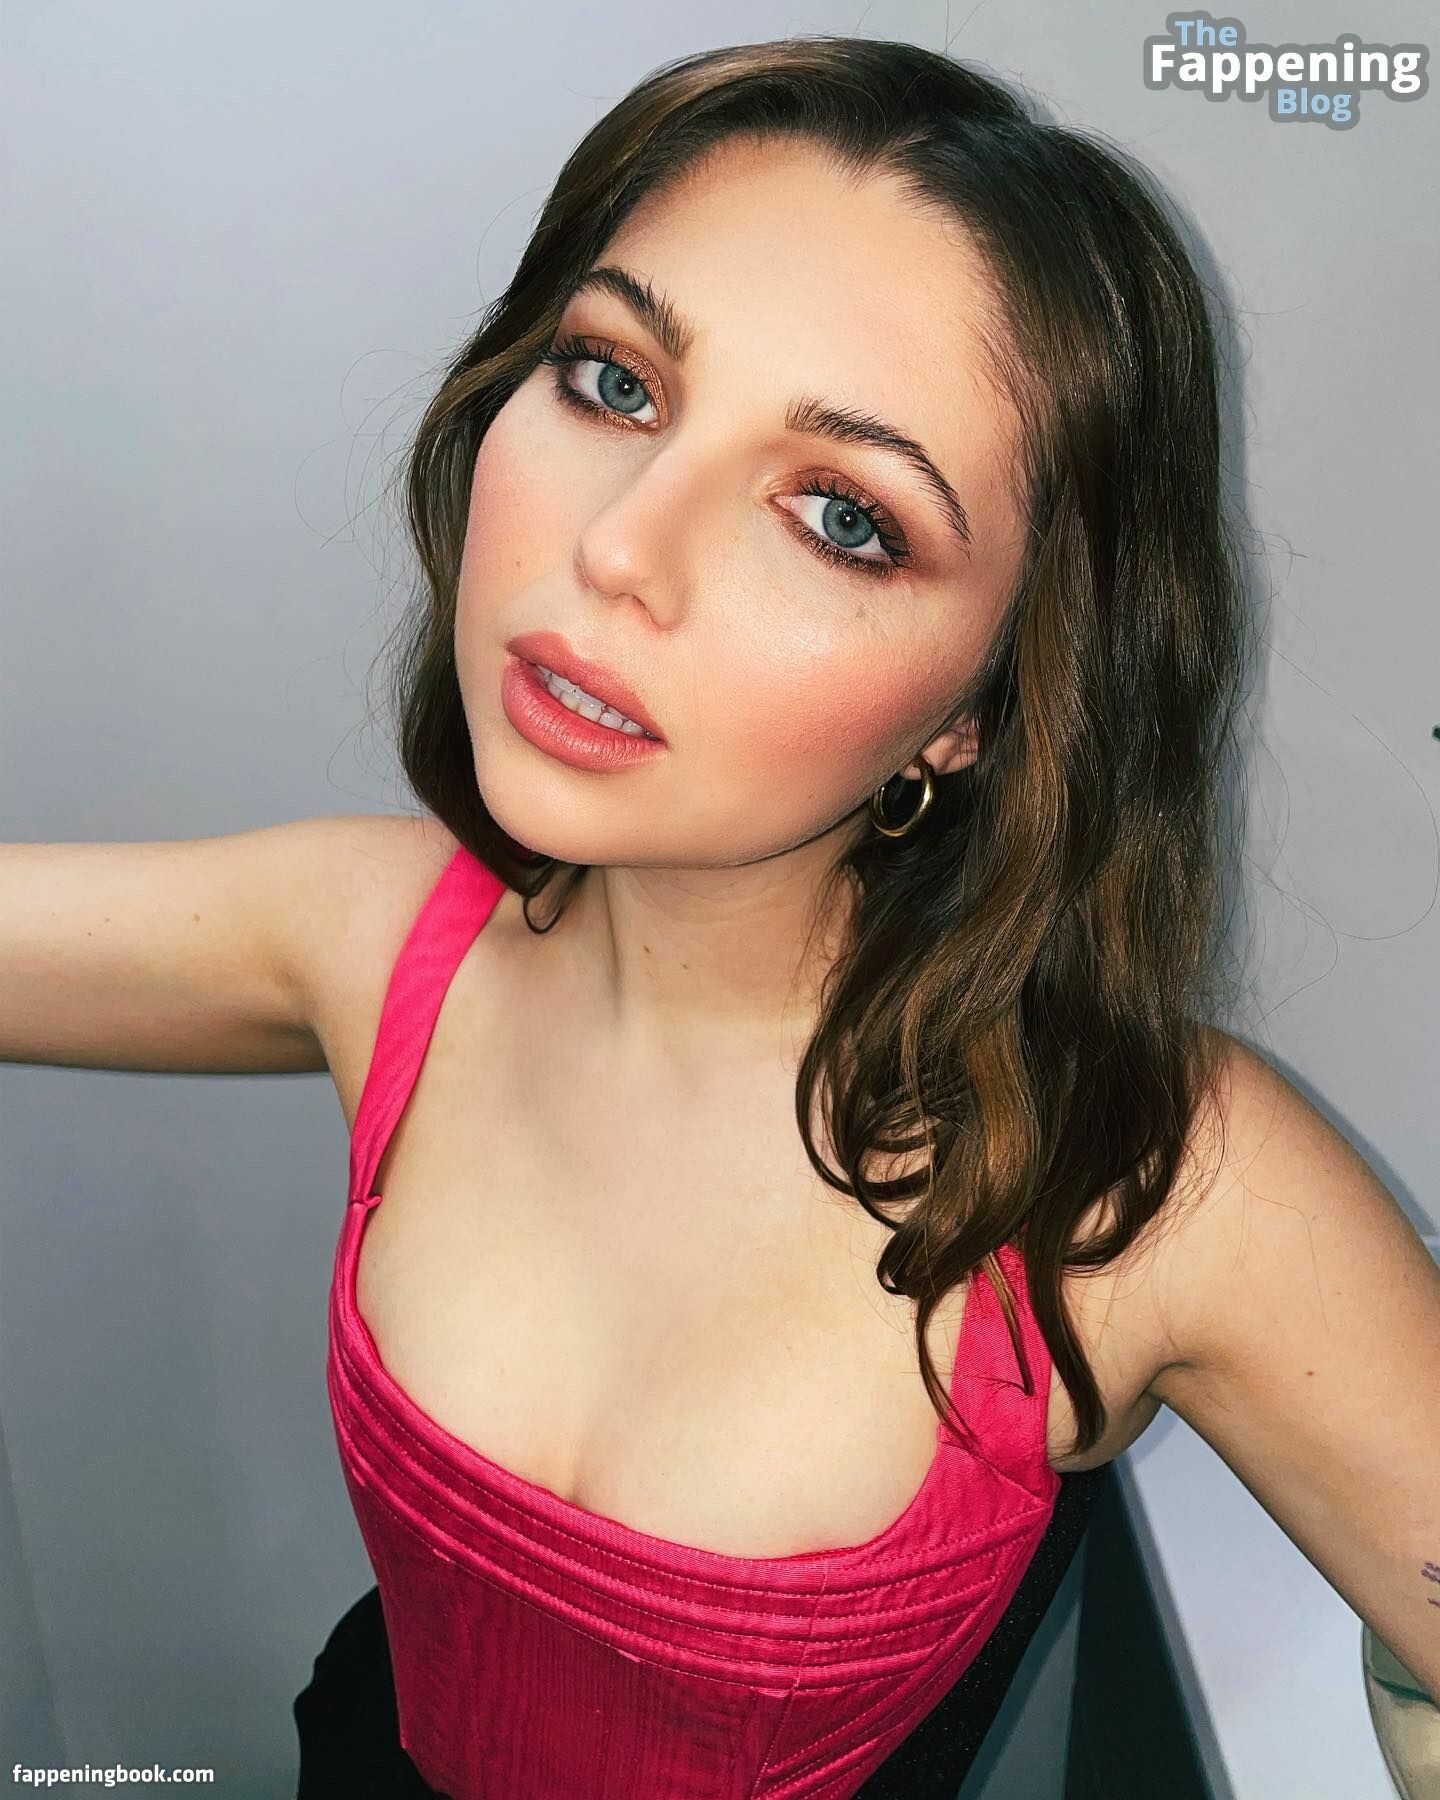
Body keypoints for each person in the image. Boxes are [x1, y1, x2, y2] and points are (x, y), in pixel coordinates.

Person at [6, 33, 1437, 1800]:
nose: (620, 547)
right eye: (613, 382)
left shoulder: (1150, 1182)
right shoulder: (374, 941)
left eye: (842, 517)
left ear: (986, 705)